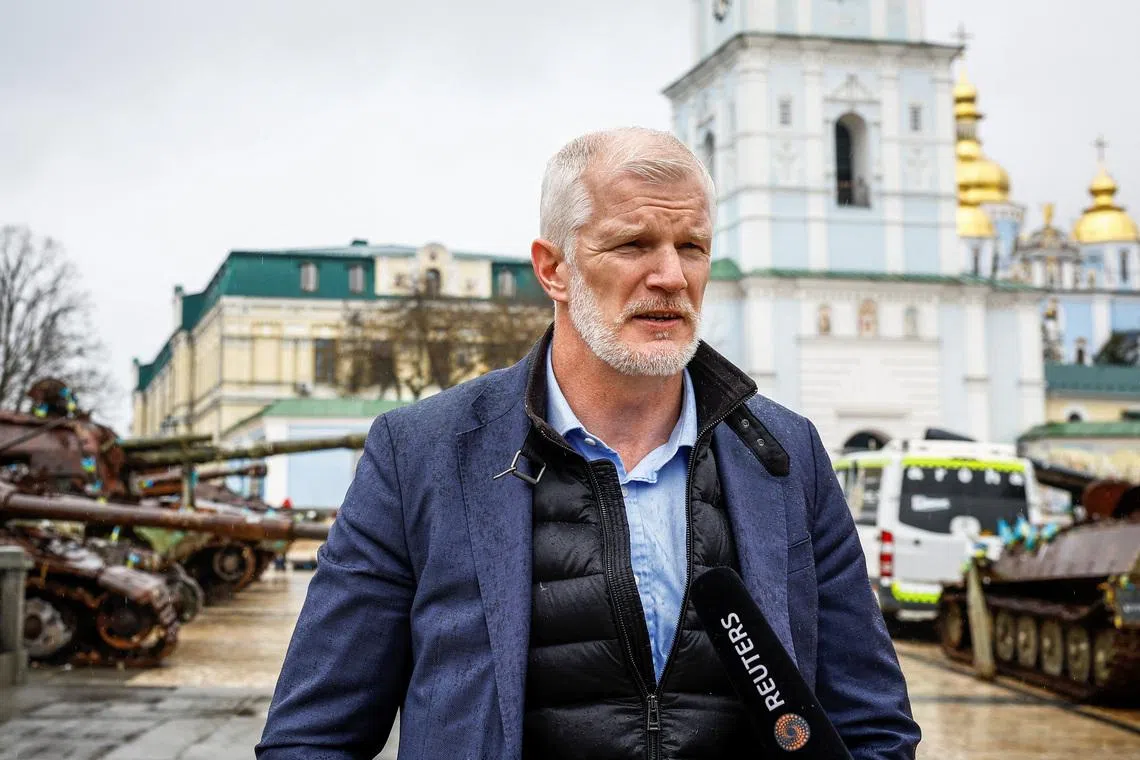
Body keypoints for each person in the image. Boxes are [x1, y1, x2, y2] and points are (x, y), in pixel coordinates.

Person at [256, 127, 920, 759]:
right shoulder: (423, 456)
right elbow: (311, 735)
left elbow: (872, 723)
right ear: (554, 269)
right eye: (633, 245)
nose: (671, 276)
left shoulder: (783, 454)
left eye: (692, 247)